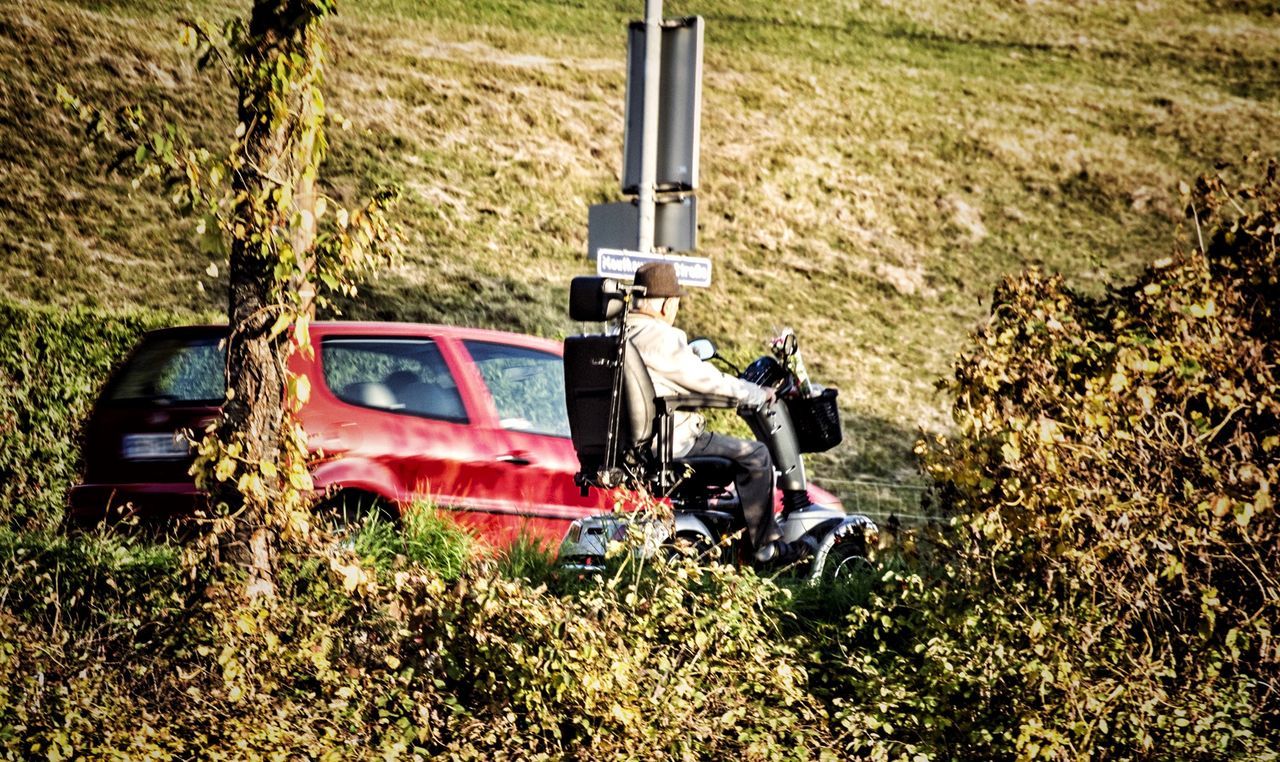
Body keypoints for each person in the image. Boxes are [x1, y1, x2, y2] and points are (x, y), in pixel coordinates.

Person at [625, 261, 813, 566]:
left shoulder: (617, 337)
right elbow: (708, 381)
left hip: (633, 449)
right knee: (757, 455)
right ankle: (767, 547)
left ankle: (736, 540)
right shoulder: (660, 338)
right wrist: (756, 393)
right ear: (665, 304)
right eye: (675, 303)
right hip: (673, 445)